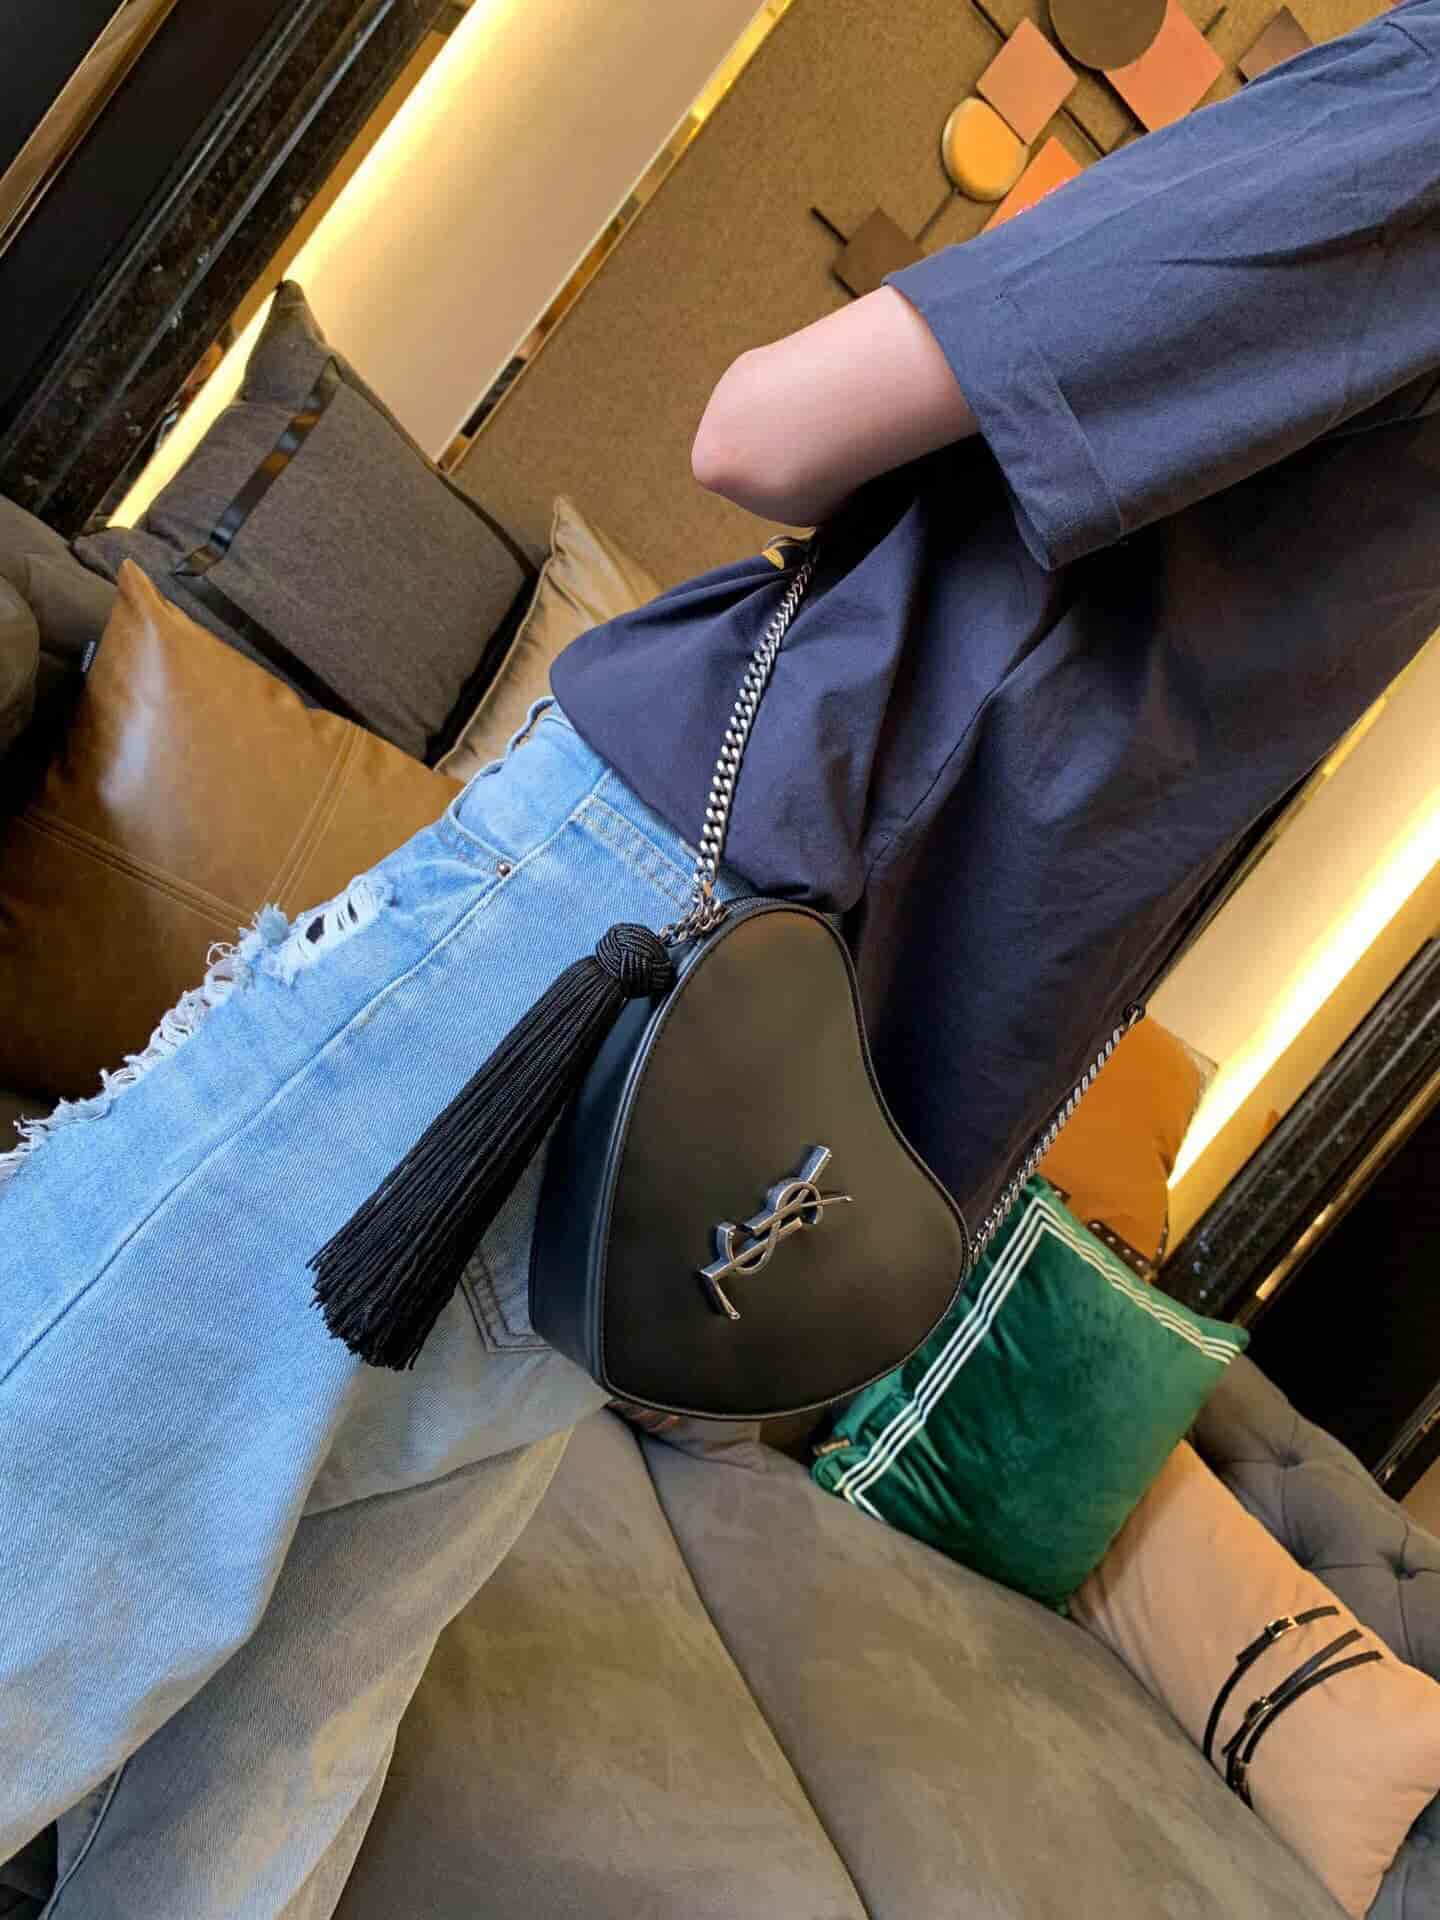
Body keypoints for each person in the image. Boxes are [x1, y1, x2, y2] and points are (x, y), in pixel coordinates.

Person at [4, 5, 1440, 1912]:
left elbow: (761, 427)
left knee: (65, 1453)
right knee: (275, 1736)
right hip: (776, 1099)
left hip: (643, 906)